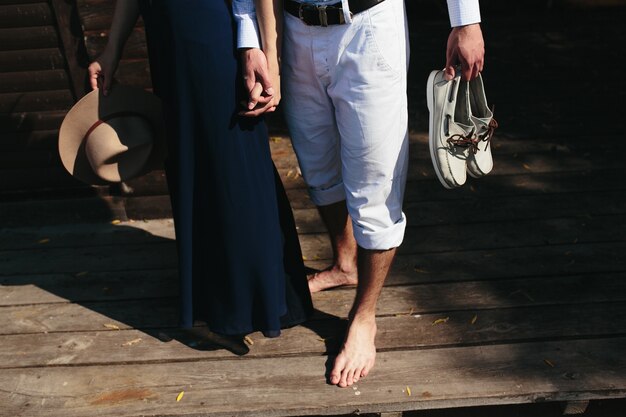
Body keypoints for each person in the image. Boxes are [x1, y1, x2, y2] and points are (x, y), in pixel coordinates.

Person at [233, 0, 485, 387]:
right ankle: (345, 263)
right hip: (293, 28)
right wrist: (253, 38)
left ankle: (365, 316)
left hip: (368, 27)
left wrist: (466, 22)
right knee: (318, 168)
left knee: (376, 187)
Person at [88, 0, 313, 346]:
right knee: (194, 161)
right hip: (167, 34)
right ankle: (225, 299)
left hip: (213, 27)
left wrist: (268, 52)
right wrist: (112, 50)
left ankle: (253, 303)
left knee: (231, 159)